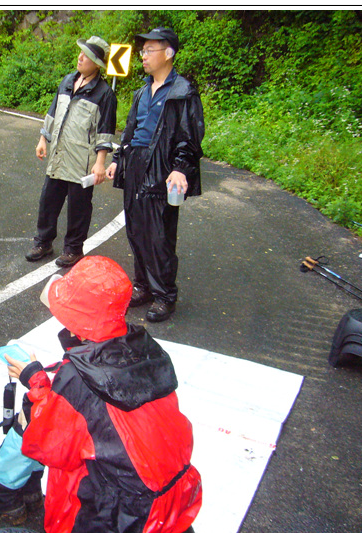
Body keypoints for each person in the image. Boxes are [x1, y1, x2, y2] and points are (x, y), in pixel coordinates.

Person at [0, 256, 202, 533]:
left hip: (120, 524)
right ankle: (23, 487)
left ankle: (0, 493)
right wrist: (44, 383)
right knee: (45, 411)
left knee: (30, 418)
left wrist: (35, 382)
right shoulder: (147, 351)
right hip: (173, 505)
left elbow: (45, 443)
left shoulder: (78, 379)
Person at [105, 28, 205, 323]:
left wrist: (180, 166)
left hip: (162, 167)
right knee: (135, 228)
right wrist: (118, 159)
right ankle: (144, 286)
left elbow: (191, 134)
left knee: (159, 234)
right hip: (136, 164)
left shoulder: (182, 91)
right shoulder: (141, 91)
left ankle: (164, 295)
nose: (143, 56)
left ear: (168, 53)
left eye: (150, 50)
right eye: (143, 50)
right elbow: (130, 130)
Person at [25, 36, 117, 268]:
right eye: (81, 53)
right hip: (58, 156)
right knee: (48, 202)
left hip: (81, 163)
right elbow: (53, 113)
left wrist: (100, 163)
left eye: (86, 55)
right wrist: (42, 139)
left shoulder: (104, 93)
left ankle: (73, 249)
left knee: (79, 207)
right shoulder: (68, 81)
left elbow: (105, 132)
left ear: (96, 64)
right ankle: (43, 242)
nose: (80, 57)